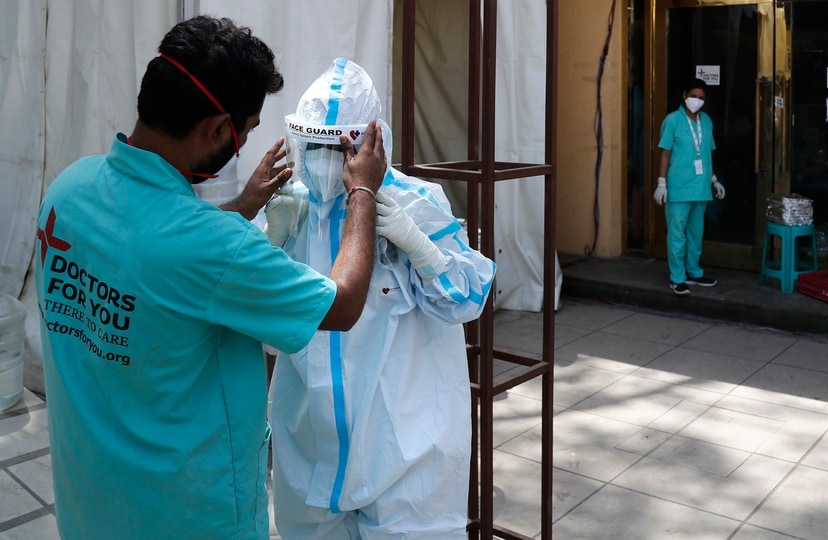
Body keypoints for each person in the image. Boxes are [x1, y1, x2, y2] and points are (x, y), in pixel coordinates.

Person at [34, 17, 386, 540]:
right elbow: (344, 303)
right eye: (243, 132)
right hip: (189, 514)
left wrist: (242, 207)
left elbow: (150, 258)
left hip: (92, 505)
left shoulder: (68, 191)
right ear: (218, 129)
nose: (243, 146)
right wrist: (363, 193)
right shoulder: (214, 247)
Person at [266, 58, 496, 540]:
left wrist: (419, 245)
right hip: (309, 450)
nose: (329, 161)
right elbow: (262, 320)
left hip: (405, 455)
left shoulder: (414, 202)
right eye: (317, 145)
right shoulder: (293, 206)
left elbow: (469, 297)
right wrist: (269, 239)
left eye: (342, 147)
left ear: (370, 142)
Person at [655, 77, 726, 295]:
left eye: (701, 98)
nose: (697, 100)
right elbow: (665, 153)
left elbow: (706, 154)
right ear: (684, 96)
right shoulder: (673, 120)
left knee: (696, 233)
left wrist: (714, 180)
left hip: (701, 187)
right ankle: (677, 278)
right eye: (693, 96)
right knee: (677, 234)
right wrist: (661, 183)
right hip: (678, 187)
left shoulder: (706, 122)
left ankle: (693, 272)